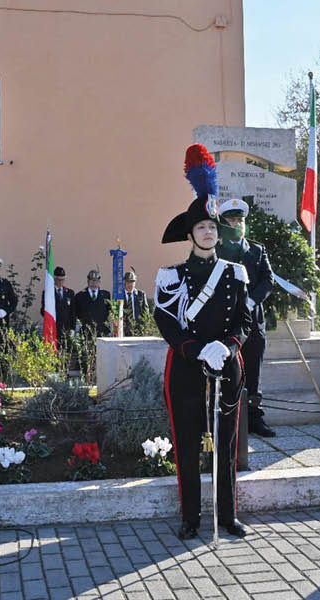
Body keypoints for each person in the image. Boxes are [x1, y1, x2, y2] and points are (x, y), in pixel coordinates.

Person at [154, 144, 252, 540]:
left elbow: (246, 320)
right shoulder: (171, 275)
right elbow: (165, 321)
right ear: (191, 234)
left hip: (227, 365)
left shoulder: (236, 273)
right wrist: (195, 349)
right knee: (188, 444)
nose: (208, 232)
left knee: (226, 443)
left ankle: (227, 515)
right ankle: (191, 517)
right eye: (201, 228)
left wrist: (228, 346)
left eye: (213, 227)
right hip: (187, 366)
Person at [216, 198, 276, 437]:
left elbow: (268, 280)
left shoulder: (257, 250)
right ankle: (227, 418)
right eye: (232, 220)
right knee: (227, 372)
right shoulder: (216, 251)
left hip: (253, 322)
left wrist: (251, 301)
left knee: (254, 372)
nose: (237, 224)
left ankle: (254, 418)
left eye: (240, 220)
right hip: (226, 324)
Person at [74, 269, 111, 336]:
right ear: (88, 281)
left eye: (96, 281)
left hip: (102, 334)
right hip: (86, 334)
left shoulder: (106, 295)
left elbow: (109, 313)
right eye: (92, 281)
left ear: (99, 282)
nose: (94, 284)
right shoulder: (79, 296)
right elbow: (76, 315)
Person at [47, 266, 76, 344]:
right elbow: (44, 311)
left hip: (66, 329)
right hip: (54, 328)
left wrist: (73, 328)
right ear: (54, 279)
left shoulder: (69, 293)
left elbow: (72, 312)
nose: (60, 282)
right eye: (58, 279)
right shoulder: (48, 293)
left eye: (62, 279)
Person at [120, 270, 149, 335]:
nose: (130, 284)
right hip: (123, 330)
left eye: (132, 282)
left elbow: (146, 313)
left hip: (138, 329)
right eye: (128, 282)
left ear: (135, 282)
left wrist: (145, 327)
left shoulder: (141, 294)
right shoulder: (120, 295)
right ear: (124, 282)